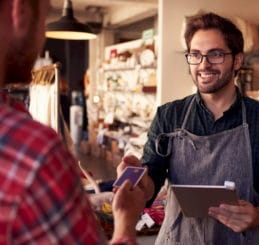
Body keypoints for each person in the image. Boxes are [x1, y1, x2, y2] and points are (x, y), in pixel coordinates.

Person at [118, 12, 259, 244]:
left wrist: (258, 216)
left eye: (215, 54)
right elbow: (151, 182)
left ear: (237, 60)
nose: (203, 64)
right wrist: (139, 181)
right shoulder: (169, 116)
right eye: (195, 55)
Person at [0, 1, 145, 244]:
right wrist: (125, 220)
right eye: (44, 18)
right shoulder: (33, 150)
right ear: (19, 11)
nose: (42, 37)